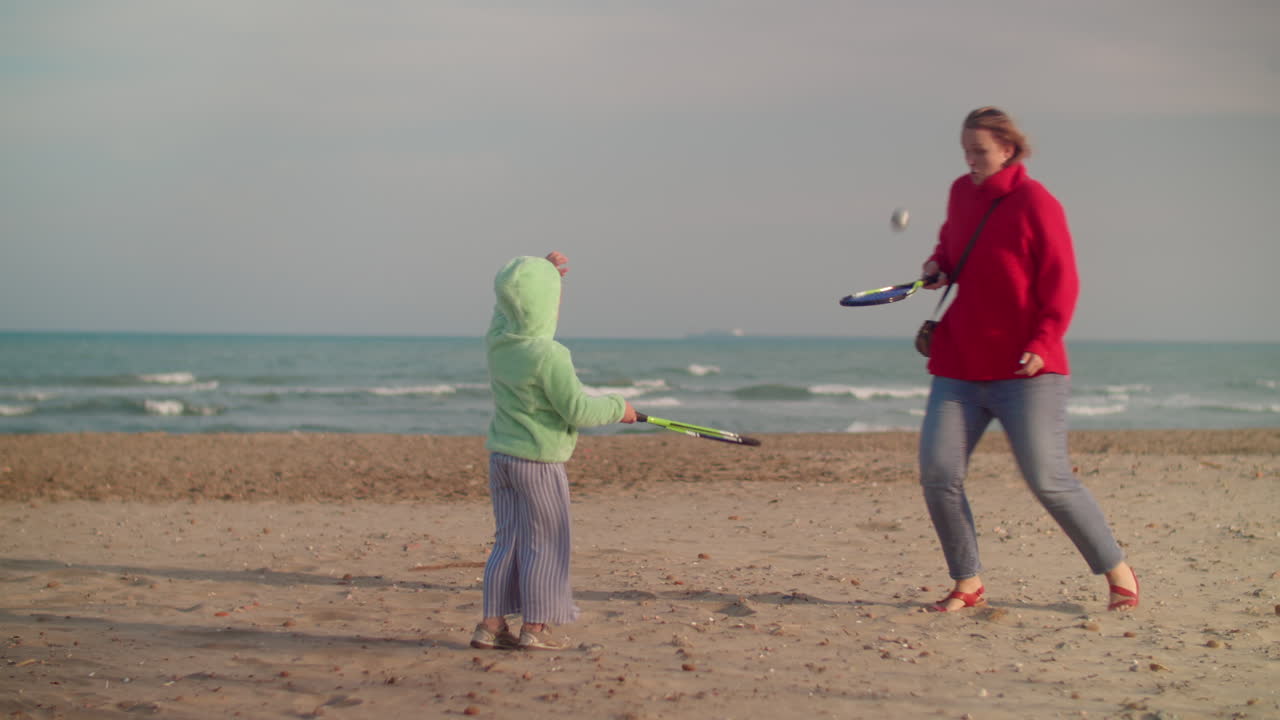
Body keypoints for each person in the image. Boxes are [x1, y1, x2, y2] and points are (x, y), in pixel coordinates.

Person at [916, 107, 1139, 613]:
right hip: (959, 366)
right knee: (937, 471)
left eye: (980, 151)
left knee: (1048, 479)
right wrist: (937, 265)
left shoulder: (1037, 203)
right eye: (966, 150)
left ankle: (1117, 569)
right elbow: (953, 248)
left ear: (1008, 150)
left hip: (1027, 370)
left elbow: (1063, 282)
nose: (971, 160)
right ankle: (967, 583)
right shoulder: (960, 193)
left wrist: (1042, 341)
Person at [471, 251, 637, 650]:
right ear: (546, 306)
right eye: (555, 297)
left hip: (502, 460)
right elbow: (578, 409)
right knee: (545, 543)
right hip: (539, 463)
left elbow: (504, 310)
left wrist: (540, 272)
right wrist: (620, 408)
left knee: (507, 540)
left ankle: (490, 626)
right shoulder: (549, 355)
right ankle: (535, 628)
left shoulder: (499, 344)